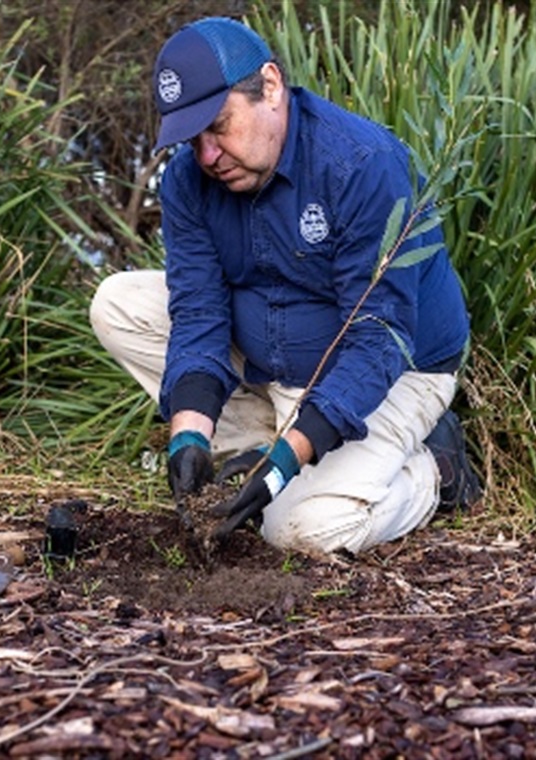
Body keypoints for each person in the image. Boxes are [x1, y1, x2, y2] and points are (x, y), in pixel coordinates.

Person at [90, 16, 480, 555]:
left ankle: (433, 470)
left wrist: (284, 466)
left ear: (269, 87)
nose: (206, 155)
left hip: (394, 371)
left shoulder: (362, 165)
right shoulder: (189, 180)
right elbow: (200, 313)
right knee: (117, 303)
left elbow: (377, 339)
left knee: (299, 531)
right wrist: (189, 436)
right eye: (192, 137)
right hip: (272, 360)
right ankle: (260, 445)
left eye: (219, 126)